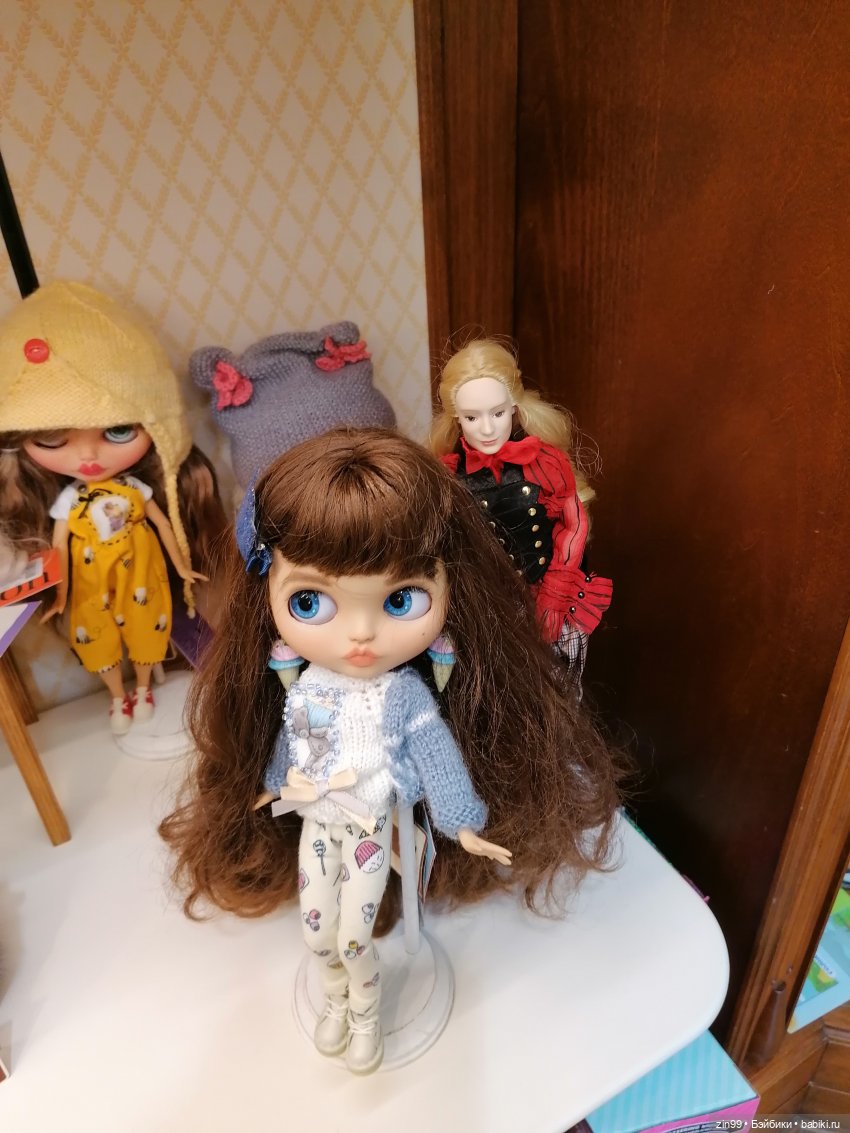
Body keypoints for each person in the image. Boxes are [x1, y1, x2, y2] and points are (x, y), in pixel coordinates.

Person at [160, 427, 623, 1073]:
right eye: (309, 600)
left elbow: (437, 758)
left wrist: (464, 825)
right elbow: (295, 743)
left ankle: (366, 1014)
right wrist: (271, 785)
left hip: (372, 828)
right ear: (267, 596)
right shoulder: (303, 686)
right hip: (316, 825)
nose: (361, 634)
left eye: (400, 599)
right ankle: (335, 999)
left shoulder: (404, 696)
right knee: (317, 931)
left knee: (354, 935)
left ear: (451, 587)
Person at [0, 281, 227, 732]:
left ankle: (142, 688)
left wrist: (183, 569)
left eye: (118, 431)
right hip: (91, 587)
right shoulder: (68, 501)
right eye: (52, 439)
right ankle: (118, 697)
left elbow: (164, 526)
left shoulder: (136, 491)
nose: (88, 457)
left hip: (143, 577)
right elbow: (59, 549)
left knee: (147, 629)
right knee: (99, 637)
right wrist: (60, 594)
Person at [432, 338, 612, 681]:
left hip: (550, 593)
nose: (487, 428)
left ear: (515, 407)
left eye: (498, 413)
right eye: (471, 417)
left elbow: (574, 526)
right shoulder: (448, 477)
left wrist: (554, 595)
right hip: (488, 605)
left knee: (559, 683)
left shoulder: (546, 463)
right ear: (456, 418)